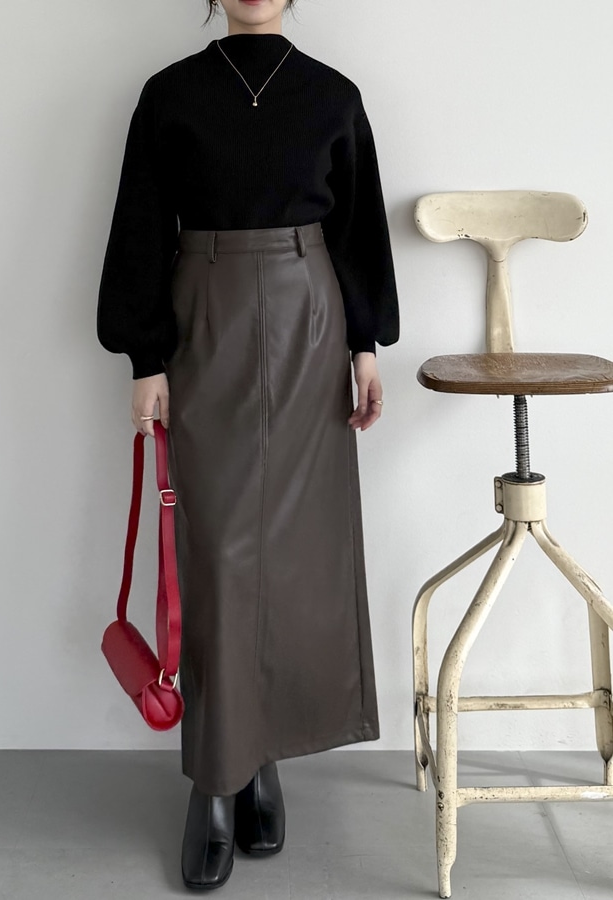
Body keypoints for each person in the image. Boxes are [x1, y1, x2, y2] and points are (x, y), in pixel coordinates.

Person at [96, 0, 399, 890]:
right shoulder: (169, 95)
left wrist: (365, 345)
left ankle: (261, 757)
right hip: (206, 320)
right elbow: (142, 224)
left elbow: (358, 230)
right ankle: (215, 781)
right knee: (218, 553)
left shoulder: (333, 96)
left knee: (296, 552)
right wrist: (145, 358)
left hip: (311, 319)